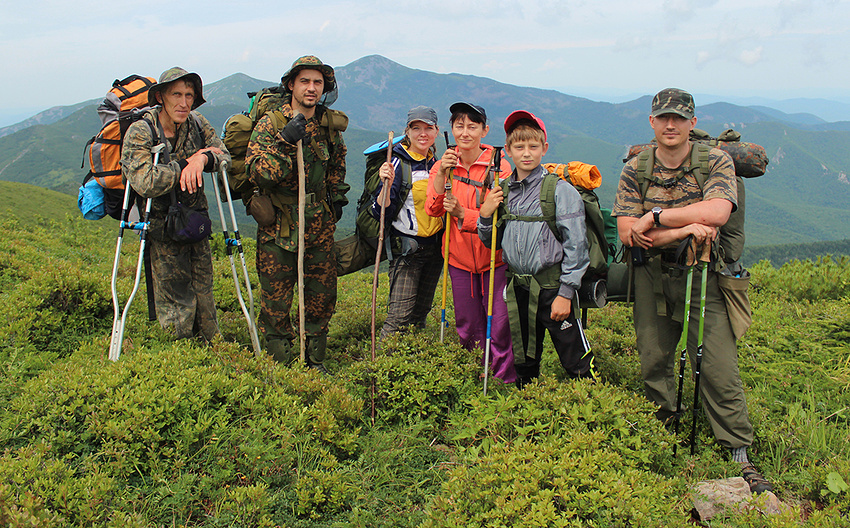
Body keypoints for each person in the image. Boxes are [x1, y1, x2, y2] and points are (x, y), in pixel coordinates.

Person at [612, 88, 773, 493]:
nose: (671, 124)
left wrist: (656, 216)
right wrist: (683, 228)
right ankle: (662, 427)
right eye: (663, 117)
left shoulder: (715, 161)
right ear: (652, 122)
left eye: (679, 118)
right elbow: (627, 234)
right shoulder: (636, 168)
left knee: (718, 366)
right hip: (651, 277)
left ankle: (738, 450)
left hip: (706, 275)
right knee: (654, 358)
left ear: (692, 124)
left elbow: (718, 212)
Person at [246, 55, 349, 373]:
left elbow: (336, 170)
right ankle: (279, 366)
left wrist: (333, 208)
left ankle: (314, 361)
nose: (311, 88)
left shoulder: (328, 127)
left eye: (317, 82)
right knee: (276, 299)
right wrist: (286, 141)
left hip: (318, 224)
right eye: (304, 81)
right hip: (279, 224)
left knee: (321, 296)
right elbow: (259, 174)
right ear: (291, 84)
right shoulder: (272, 124)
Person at [479, 111, 593, 387]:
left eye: (533, 146)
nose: (526, 153)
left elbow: (577, 246)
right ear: (507, 151)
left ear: (545, 148)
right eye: (519, 147)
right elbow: (490, 242)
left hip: (553, 287)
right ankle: (526, 407)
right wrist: (485, 215)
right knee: (525, 359)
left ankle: (593, 405)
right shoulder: (502, 190)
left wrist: (566, 294)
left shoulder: (560, 190)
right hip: (518, 287)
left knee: (575, 357)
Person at [121, 67, 230, 341]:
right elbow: (144, 181)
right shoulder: (141, 131)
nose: (184, 103)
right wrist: (184, 165)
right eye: (176, 94)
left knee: (204, 288)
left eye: (189, 95)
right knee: (175, 295)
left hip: (195, 220)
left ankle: (212, 346)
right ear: (161, 97)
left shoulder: (197, 123)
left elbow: (224, 157)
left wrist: (202, 159)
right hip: (163, 226)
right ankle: (179, 353)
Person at [425, 102, 516, 384]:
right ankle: (473, 374)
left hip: (494, 259)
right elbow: (433, 208)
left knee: (498, 324)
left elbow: (503, 214)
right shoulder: (443, 165)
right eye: (460, 126)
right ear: (451, 130)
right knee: (466, 323)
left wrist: (465, 215)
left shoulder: (499, 165)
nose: (465, 133)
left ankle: (502, 381)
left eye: (472, 126)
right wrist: (441, 174)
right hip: (458, 258)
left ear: (484, 130)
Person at [372, 106, 445, 339]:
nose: (422, 134)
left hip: (435, 250)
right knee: (399, 317)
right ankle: (379, 371)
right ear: (407, 132)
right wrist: (385, 185)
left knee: (420, 313)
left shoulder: (438, 164)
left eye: (428, 128)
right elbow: (379, 210)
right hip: (408, 251)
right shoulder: (397, 163)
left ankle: (412, 363)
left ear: (436, 131)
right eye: (416, 128)